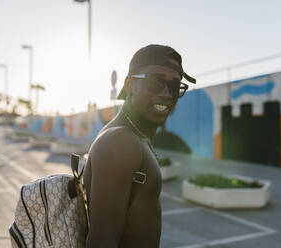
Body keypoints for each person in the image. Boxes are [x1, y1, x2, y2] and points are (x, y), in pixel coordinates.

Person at [83, 44, 196, 247]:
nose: (166, 93)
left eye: (174, 86)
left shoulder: (132, 137)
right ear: (130, 85)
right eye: (155, 82)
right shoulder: (120, 142)